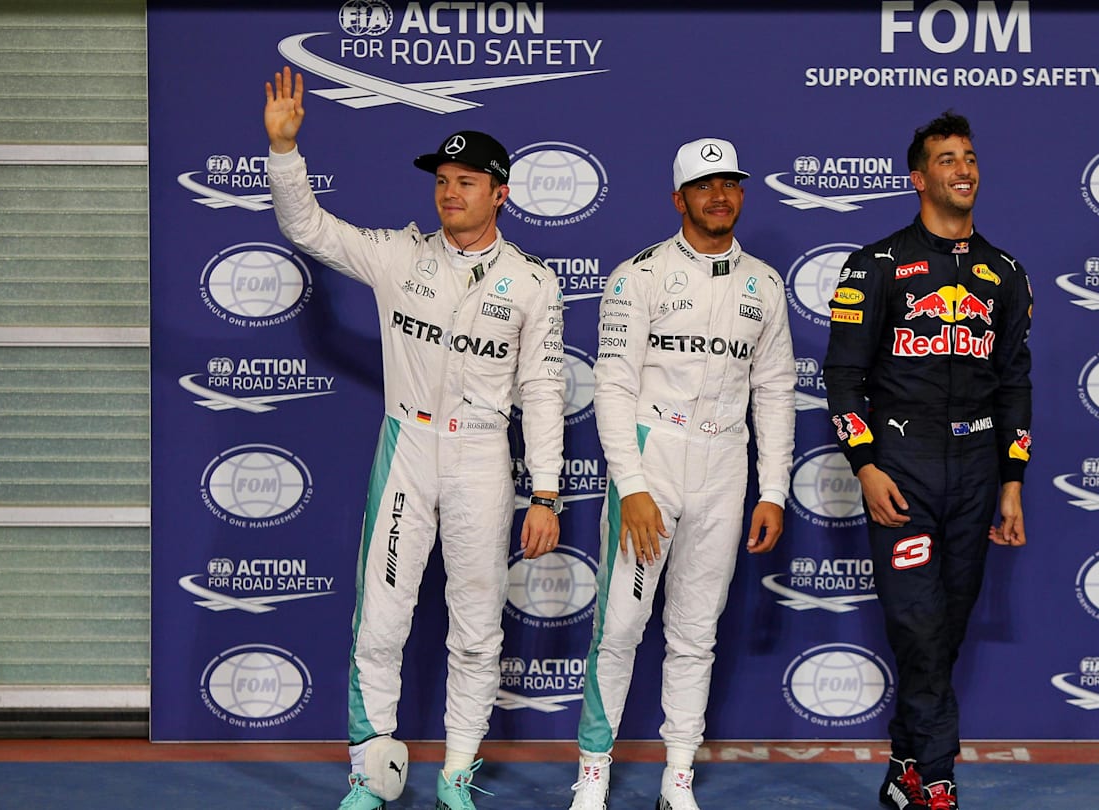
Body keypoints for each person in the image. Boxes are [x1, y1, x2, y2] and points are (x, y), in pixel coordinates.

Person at [262, 66, 567, 810]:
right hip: (408, 448)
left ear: (500, 192)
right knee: (383, 617)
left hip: (482, 457)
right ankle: (372, 775)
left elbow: (543, 390)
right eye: (442, 179)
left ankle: (457, 773)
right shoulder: (401, 255)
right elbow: (308, 228)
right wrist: (284, 152)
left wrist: (547, 491)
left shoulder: (533, 281)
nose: (449, 191)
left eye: (467, 181)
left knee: (476, 621)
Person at [564, 138, 797, 810]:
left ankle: (678, 778)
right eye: (704, 185)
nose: (719, 196)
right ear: (679, 199)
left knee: (698, 630)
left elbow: (776, 390)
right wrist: (632, 487)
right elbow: (611, 387)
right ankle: (592, 774)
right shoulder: (636, 276)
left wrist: (773, 490)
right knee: (620, 627)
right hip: (653, 457)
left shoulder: (765, 284)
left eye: (730, 183)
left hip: (725, 466)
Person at [823, 110, 1033, 810]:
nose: (963, 168)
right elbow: (843, 377)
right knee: (916, 622)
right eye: (947, 159)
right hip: (902, 465)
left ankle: (904, 764)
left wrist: (1012, 480)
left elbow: (1014, 383)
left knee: (947, 623)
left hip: (976, 466)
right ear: (919, 178)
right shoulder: (876, 264)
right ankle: (938, 777)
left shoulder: (1004, 273)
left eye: (970, 156)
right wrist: (866, 464)